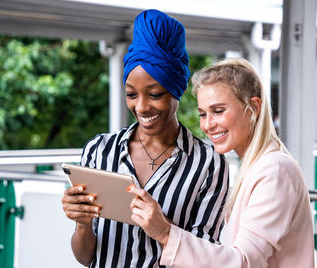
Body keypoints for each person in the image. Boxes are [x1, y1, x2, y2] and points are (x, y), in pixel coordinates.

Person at [61, 9, 229, 267]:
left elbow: (207, 260)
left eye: (155, 95)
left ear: (177, 89)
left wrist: (164, 230)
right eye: (131, 94)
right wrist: (82, 224)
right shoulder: (99, 150)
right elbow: (86, 258)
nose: (141, 107)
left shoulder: (208, 164)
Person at [129, 58, 315, 267]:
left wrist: (165, 232)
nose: (208, 125)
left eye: (218, 111)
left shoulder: (275, 171)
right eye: (202, 114)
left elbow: (243, 262)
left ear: (253, 107)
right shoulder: (257, 166)